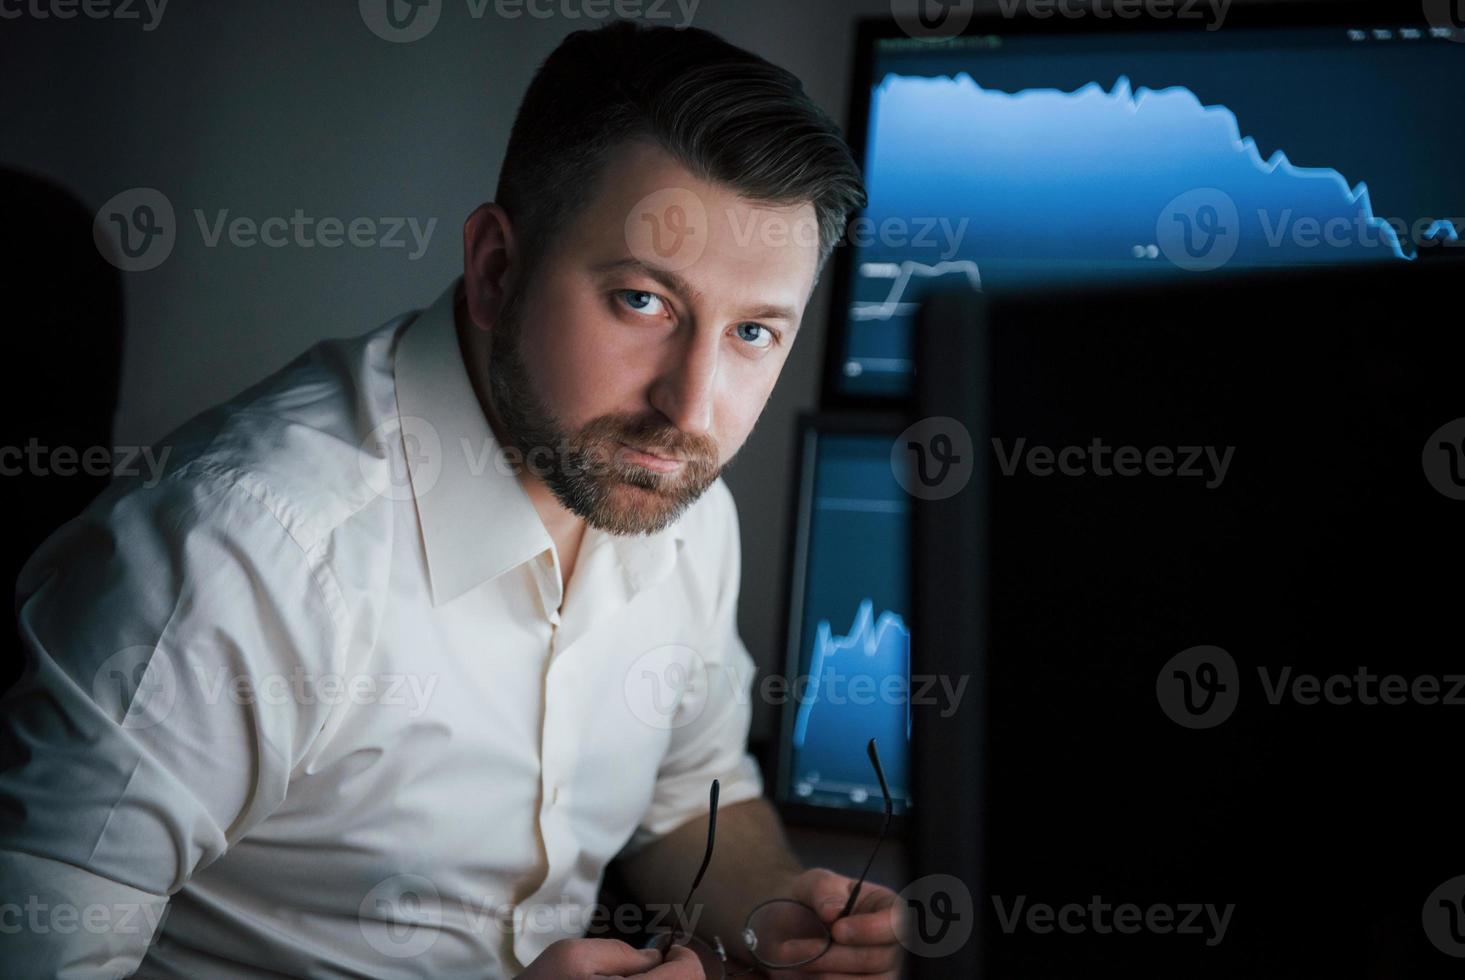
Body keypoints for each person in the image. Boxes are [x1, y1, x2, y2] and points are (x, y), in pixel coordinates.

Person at [0, 19, 902, 979]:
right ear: (495, 269)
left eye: (755, 333)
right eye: (643, 301)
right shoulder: (235, 560)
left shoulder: (678, 499)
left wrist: (771, 911)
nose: (690, 404)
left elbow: (690, 796)